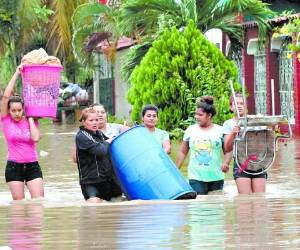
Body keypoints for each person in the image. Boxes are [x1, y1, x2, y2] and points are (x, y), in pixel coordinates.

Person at [0, 66, 44, 200]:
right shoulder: (6, 120)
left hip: (33, 166)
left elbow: (35, 138)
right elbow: (6, 96)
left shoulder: (32, 121)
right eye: (13, 110)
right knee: (19, 205)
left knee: (39, 202)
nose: (17, 113)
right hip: (14, 167)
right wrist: (17, 73)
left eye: (19, 110)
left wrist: (30, 117)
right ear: (9, 111)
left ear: (23, 109)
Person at [176, 96, 231, 195]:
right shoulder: (190, 130)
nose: (197, 117)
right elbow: (182, 152)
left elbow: (228, 150)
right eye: (196, 114)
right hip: (195, 176)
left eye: (200, 115)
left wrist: (226, 163)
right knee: (198, 205)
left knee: (215, 206)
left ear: (209, 115)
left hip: (216, 176)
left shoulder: (220, 130)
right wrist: (176, 169)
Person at [75, 107, 122, 202]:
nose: (95, 122)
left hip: (106, 180)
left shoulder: (99, 134)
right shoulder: (82, 136)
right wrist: (108, 141)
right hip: (90, 182)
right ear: (84, 122)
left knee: (117, 203)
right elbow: (101, 150)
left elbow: (113, 145)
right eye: (91, 120)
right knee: (94, 204)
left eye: (96, 120)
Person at [223, 93, 267, 194]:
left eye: (241, 103)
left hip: (258, 162)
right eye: (236, 103)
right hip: (240, 163)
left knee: (259, 199)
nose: (239, 106)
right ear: (231, 107)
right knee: (244, 200)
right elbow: (227, 147)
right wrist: (233, 134)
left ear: (246, 106)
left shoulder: (255, 120)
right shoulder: (228, 124)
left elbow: (264, 142)